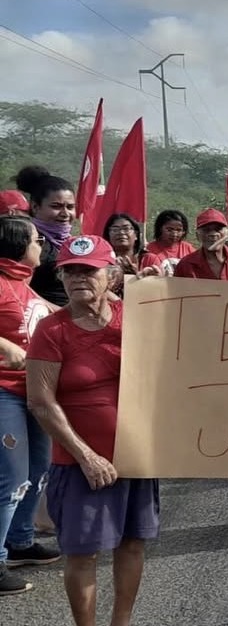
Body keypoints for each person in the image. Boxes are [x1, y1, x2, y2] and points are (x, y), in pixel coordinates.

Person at [28, 235, 160, 625]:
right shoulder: (52, 331)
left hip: (136, 456)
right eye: (70, 271)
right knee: (82, 553)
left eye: (89, 270)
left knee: (133, 544)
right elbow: (41, 401)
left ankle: (122, 621)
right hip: (79, 464)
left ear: (113, 274)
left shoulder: (137, 318)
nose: (78, 278)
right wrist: (87, 456)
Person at [0, 215, 59, 596]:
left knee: (38, 469)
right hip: (4, 391)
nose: (42, 246)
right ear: (20, 244)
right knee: (10, 478)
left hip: (33, 391)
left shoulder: (23, 284)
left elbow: (54, 317)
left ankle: (21, 541)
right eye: (37, 239)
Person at [13, 166, 76, 307]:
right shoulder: (28, 243)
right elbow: (18, 290)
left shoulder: (73, 242)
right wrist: (59, 313)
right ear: (35, 207)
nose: (65, 213)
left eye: (70, 207)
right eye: (56, 206)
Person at [173, 209, 228, 283]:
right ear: (197, 235)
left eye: (218, 229)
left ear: (227, 233)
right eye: (206, 230)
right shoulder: (185, 265)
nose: (213, 234)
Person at [139, 210, 195, 277]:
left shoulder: (188, 249)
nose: (174, 234)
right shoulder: (149, 250)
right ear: (160, 228)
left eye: (179, 230)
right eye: (169, 230)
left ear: (184, 231)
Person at [102, 214, 144, 295]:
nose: (121, 232)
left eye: (126, 228)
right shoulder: (103, 262)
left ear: (136, 235)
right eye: (115, 229)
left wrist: (135, 275)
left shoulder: (147, 259)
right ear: (108, 235)